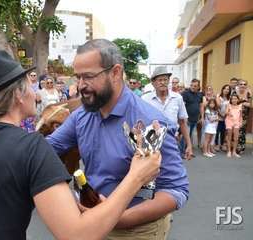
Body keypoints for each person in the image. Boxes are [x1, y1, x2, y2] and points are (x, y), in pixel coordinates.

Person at [0, 50, 161, 240]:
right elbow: (78, 234)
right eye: (30, 85)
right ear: (17, 94)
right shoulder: (32, 148)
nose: (36, 93)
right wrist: (136, 178)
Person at [46, 39, 189, 240]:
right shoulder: (82, 116)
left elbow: (176, 190)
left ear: (115, 72)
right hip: (90, 223)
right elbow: (47, 148)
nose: (80, 86)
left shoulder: (150, 124)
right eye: (78, 77)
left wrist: (118, 218)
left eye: (88, 76)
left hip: (136, 231)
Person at [142, 66, 193, 160]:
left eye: (165, 79)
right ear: (153, 83)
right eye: (159, 80)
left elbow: (182, 122)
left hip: (172, 141)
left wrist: (189, 145)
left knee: (175, 171)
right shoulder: (145, 99)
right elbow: (140, 122)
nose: (163, 82)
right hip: (151, 142)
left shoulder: (177, 98)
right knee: (152, 172)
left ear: (168, 81)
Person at [181, 79, 204, 149]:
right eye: (191, 85)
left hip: (195, 118)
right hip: (187, 119)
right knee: (185, 135)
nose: (193, 87)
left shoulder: (200, 94)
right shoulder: (185, 93)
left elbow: (201, 106)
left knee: (189, 134)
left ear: (198, 87)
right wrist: (185, 118)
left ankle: (187, 149)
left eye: (195, 86)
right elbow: (182, 106)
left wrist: (202, 117)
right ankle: (183, 151)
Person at [236, 79, 252, 154]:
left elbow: (250, 105)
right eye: (241, 84)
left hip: (244, 116)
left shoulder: (248, 94)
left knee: (242, 131)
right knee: (235, 130)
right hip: (235, 115)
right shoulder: (235, 92)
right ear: (238, 85)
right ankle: (234, 146)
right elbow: (232, 103)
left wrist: (240, 102)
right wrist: (244, 102)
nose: (243, 85)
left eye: (245, 84)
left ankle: (241, 147)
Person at [225, 93, 243, 158]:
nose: (234, 100)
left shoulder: (240, 106)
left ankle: (234, 152)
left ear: (238, 99)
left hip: (237, 122)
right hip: (229, 121)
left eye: (235, 99)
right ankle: (229, 151)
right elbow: (226, 112)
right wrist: (229, 112)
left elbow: (241, 116)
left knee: (236, 138)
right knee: (229, 137)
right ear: (231, 100)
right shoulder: (228, 105)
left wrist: (241, 122)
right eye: (232, 99)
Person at [215, 84, 231, 151]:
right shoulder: (219, 96)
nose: (226, 90)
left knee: (223, 132)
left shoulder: (229, 98)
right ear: (222, 89)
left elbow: (229, 108)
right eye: (225, 89)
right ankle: (216, 145)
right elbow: (217, 106)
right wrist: (221, 114)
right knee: (217, 131)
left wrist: (225, 115)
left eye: (228, 89)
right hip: (218, 117)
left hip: (226, 118)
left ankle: (222, 144)